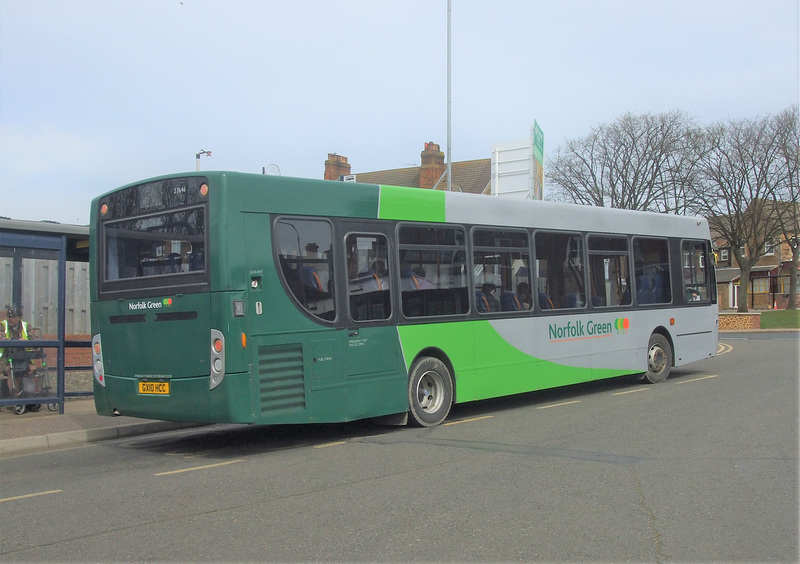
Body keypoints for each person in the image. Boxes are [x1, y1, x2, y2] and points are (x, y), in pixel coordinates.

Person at [0, 306, 30, 397]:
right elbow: (1, 337)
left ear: (19, 317)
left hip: (23, 358)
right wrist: (15, 339)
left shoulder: (26, 326)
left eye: (12, 317)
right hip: (5, 358)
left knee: (33, 370)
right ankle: (16, 398)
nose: (10, 319)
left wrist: (27, 342)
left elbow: (35, 339)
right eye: (8, 316)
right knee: (10, 370)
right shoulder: (2, 325)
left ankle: (32, 397)